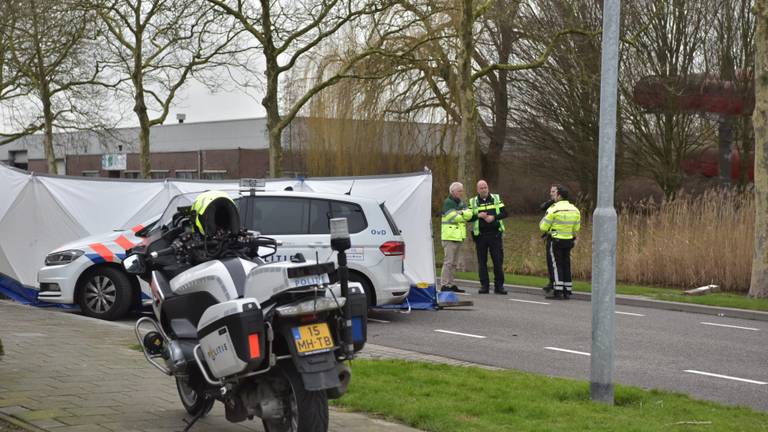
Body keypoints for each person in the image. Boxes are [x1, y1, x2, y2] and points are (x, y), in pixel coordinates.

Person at [539, 184, 581, 299]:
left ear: (559, 196)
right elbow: (576, 228)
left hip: (555, 240)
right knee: (566, 264)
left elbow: (543, 227)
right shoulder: (575, 209)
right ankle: (567, 290)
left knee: (556, 265)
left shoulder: (554, 209)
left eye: (555, 194)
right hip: (568, 241)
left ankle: (558, 291)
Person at [468, 180, 508, 294]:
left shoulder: (495, 198)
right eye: (481, 188)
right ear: (477, 190)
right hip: (480, 236)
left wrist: (494, 218)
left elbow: (505, 213)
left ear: (488, 188)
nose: (484, 189)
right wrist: (478, 215)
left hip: (495, 235)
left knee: (497, 261)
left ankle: (499, 286)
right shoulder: (473, 201)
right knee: (482, 262)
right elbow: (468, 217)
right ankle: (484, 286)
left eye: (485, 187)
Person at [440, 182, 472, 293]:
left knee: (454, 263)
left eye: (462, 190)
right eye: (459, 191)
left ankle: (451, 284)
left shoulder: (461, 202)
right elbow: (453, 218)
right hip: (449, 237)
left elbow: (470, 214)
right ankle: (444, 284)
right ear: (453, 192)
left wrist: (460, 213)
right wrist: (462, 214)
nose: (461, 193)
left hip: (458, 237)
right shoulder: (448, 202)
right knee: (448, 262)